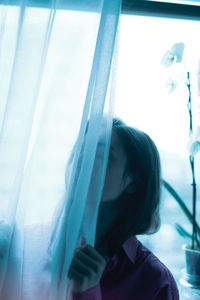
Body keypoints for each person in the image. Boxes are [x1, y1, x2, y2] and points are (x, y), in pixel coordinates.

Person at [67, 118, 180, 299]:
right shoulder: (32, 244)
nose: (83, 160)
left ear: (133, 181)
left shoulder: (154, 279)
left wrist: (87, 293)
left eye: (102, 156)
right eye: (83, 150)